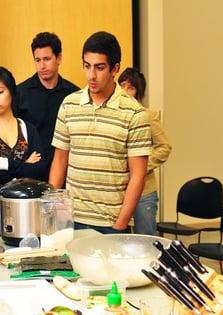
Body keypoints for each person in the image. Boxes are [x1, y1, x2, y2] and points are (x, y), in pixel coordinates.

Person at [49, 31, 152, 234]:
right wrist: (52, 211)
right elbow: (60, 160)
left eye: (99, 67)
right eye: (87, 66)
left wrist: (120, 224)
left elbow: (138, 175)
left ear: (115, 69)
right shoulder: (69, 105)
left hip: (111, 224)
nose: (91, 76)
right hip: (72, 220)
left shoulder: (135, 113)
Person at [0, 66, 48, 235]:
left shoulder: (28, 129)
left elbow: (41, 171)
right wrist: (25, 166)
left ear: (11, 92)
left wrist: (5, 164)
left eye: (0, 91)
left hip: (26, 212)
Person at [16, 32, 79, 179]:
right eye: (37, 60)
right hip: (31, 172)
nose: (42, 65)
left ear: (59, 58)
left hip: (66, 172)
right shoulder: (20, 93)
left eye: (47, 59)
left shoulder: (74, 95)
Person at [118, 67, 172, 235]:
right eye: (122, 86)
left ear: (139, 92)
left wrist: (141, 167)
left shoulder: (147, 116)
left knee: (145, 239)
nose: (125, 91)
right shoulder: (114, 116)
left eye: (131, 88)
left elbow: (164, 147)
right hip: (118, 190)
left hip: (144, 191)